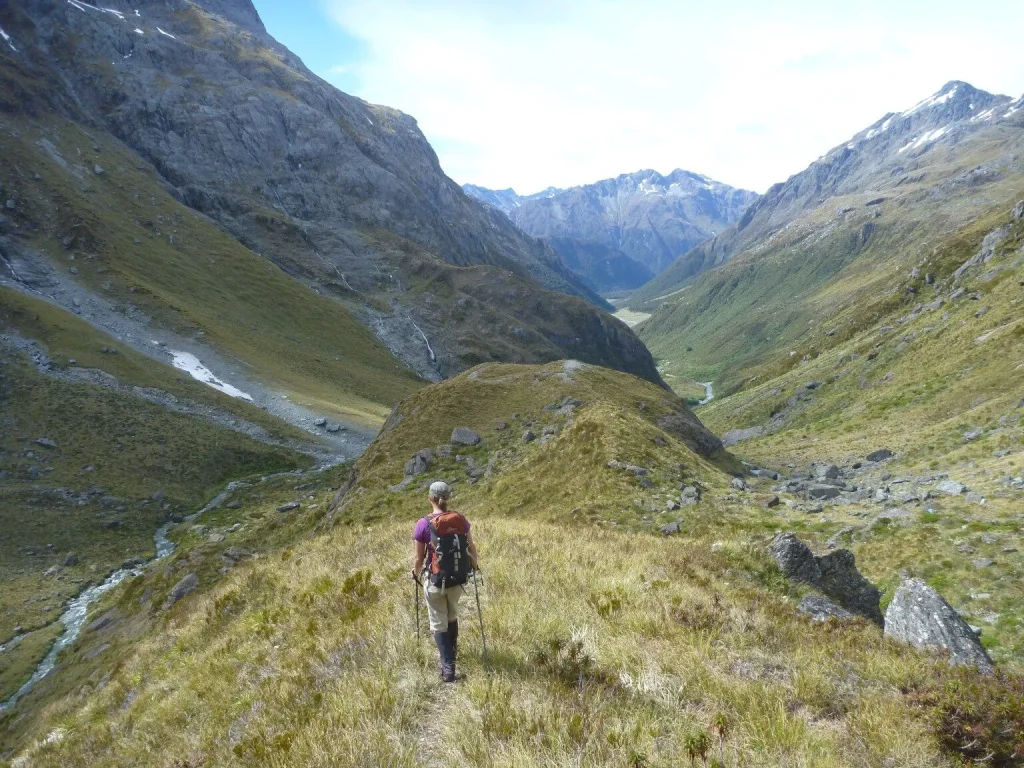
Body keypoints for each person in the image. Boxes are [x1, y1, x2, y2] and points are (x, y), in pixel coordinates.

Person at [412, 480, 478, 682]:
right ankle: (452, 656)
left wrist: (415, 573)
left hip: (435, 580)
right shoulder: (460, 519)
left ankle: (448, 669)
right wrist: (474, 567)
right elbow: (471, 547)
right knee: (452, 615)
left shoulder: (423, 523)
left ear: (430, 498)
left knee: (438, 621)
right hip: (457, 580)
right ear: (448, 498)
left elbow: (419, 558)